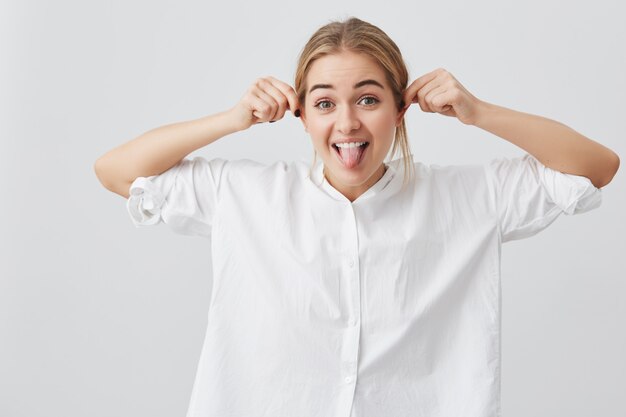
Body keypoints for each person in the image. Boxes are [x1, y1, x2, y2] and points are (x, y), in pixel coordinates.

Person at [94, 16, 619, 417]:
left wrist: (477, 112)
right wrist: (232, 120)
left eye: (367, 99)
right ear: (300, 115)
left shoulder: (470, 197)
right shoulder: (245, 193)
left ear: (399, 109)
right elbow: (115, 170)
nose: (347, 123)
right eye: (324, 103)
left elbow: (597, 167)